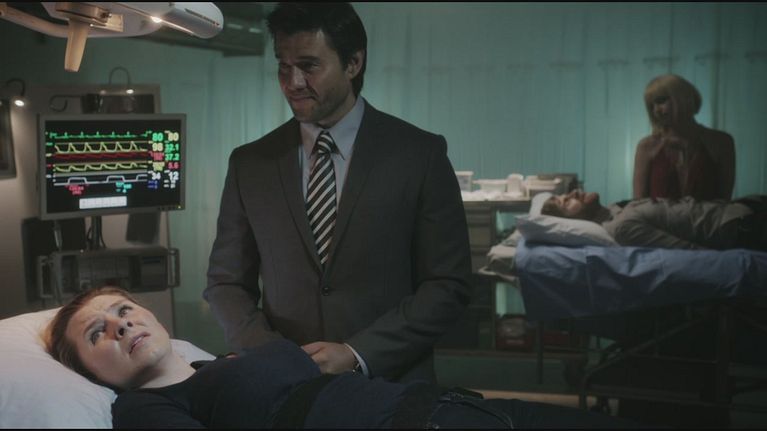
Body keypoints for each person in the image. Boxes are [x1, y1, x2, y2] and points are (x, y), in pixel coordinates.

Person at [204, 2, 472, 384]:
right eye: (283, 66)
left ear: (353, 64)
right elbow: (226, 283)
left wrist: (359, 354)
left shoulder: (419, 155)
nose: (293, 82)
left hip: (390, 384)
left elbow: (448, 284)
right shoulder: (251, 163)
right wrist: (274, 357)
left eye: (309, 66)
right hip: (284, 388)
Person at [46, 286, 642, 429]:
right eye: (98, 333)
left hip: (447, 406)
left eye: (124, 309)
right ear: (88, 371)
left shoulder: (214, 365)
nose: (121, 325)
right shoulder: (142, 410)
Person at [541, 189, 767, 251]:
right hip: (743, 228)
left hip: (747, 207)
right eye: (566, 202)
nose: (574, 192)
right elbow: (687, 252)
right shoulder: (621, 227)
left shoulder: (616, 208)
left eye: (566, 193)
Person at [632, 74, 735, 201]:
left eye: (661, 101)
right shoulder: (647, 146)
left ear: (683, 98)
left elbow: (724, 202)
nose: (656, 110)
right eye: (651, 105)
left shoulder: (721, 142)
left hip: (707, 215)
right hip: (657, 215)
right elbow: (638, 204)